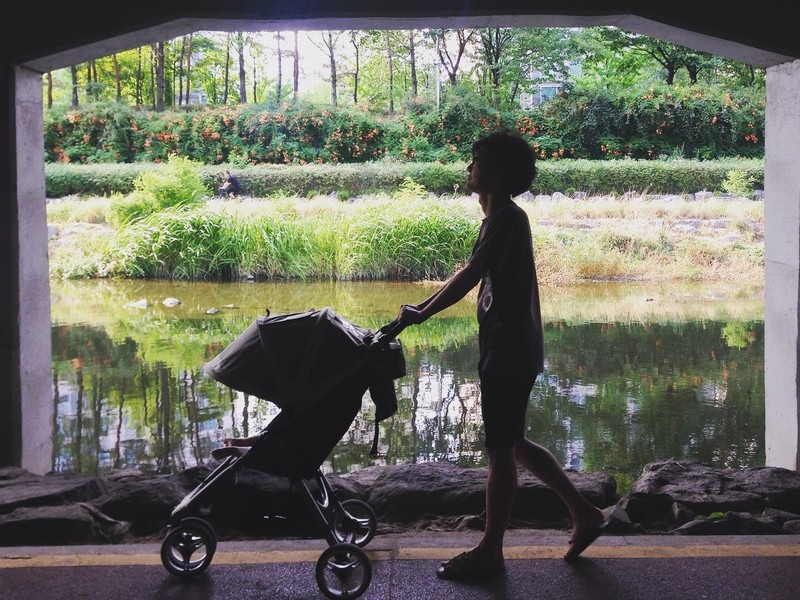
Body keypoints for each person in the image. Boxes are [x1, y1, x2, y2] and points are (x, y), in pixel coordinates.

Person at [397, 131, 609, 580]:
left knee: (499, 450)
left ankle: (492, 549)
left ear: (495, 173)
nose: (468, 169)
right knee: (512, 441)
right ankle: (584, 512)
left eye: (475, 161)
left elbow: (471, 273)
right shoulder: (500, 218)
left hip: (509, 349)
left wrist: (422, 312)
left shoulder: (506, 220)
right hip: (511, 345)